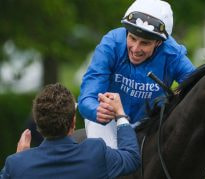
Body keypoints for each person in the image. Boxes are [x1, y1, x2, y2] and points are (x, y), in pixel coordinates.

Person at [78, 0, 196, 147]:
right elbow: (86, 97)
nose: (135, 48)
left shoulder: (173, 55)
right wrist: (96, 110)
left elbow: (198, 87)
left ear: (159, 43)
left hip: (148, 123)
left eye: (145, 43)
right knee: (108, 158)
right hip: (108, 120)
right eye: (132, 38)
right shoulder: (110, 44)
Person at [0, 83, 140, 179]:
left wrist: (21, 157)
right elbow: (132, 158)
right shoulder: (95, 152)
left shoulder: (16, 164)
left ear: (38, 123)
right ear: (73, 122)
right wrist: (120, 114)